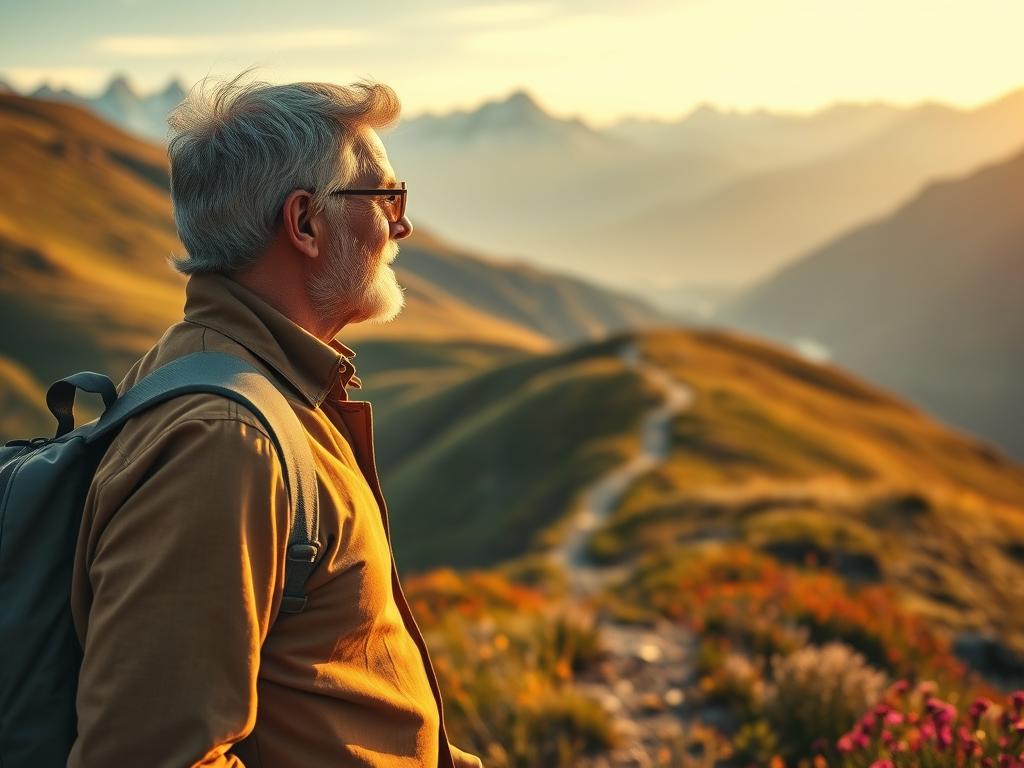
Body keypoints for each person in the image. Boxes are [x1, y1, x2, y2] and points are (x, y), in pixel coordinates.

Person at [68, 71, 483, 768]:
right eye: (384, 195)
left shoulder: (250, 384)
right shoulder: (225, 442)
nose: (401, 222)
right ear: (305, 223)